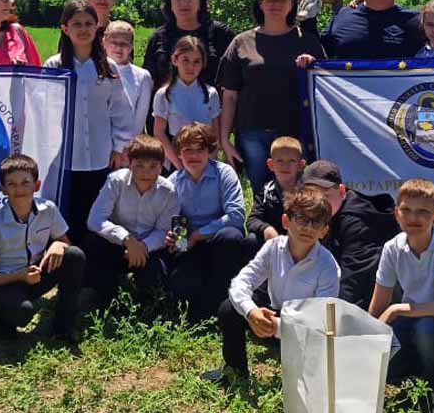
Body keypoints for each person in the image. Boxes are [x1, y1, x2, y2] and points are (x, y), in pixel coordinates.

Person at [206, 186, 340, 384]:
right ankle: (235, 372)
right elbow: (241, 282)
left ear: (324, 231)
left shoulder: (328, 267)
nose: (308, 227)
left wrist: (275, 326)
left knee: (308, 372)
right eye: (302, 219)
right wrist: (252, 312)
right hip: (273, 316)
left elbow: (319, 321)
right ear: (286, 221)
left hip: (305, 331)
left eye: (316, 222)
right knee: (229, 309)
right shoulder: (273, 248)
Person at [217, 0, 325, 196]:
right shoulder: (241, 42)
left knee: (298, 195)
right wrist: (224, 139)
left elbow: (324, 87)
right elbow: (229, 96)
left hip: (296, 134)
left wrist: (313, 66)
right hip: (252, 133)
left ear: (292, 3)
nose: (275, 4)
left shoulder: (308, 41)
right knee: (260, 195)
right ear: (260, 3)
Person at [44, 0, 134, 257]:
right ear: (65, 28)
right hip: (64, 158)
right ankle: (68, 265)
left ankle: (95, 267)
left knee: (95, 215)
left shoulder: (108, 67)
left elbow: (121, 112)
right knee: (67, 215)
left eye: (88, 24)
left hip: (99, 156)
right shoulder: (54, 66)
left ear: (97, 28)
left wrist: (118, 147)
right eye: (77, 24)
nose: (83, 29)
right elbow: (44, 109)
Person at [369, 179, 434, 404]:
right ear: (396, 213)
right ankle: (415, 370)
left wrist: (397, 308)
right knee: (383, 363)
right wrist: (369, 339)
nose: (413, 218)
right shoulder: (392, 248)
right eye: (406, 210)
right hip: (407, 322)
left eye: (422, 212)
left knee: (426, 328)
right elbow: (378, 306)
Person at [0, 154, 85, 343]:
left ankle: (64, 326)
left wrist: (58, 245)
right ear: (2, 189)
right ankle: (6, 320)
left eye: (25, 183)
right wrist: (19, 275)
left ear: (37, 185)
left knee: (74, 255)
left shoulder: (49, 209)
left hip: (36, 274)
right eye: (11, 184)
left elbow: (65, 242)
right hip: (5, 282)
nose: (19, 190)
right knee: (22, 313)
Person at [166, 123, 251, 322]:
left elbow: (236, 215)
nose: (194, 155)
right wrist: (176, 241)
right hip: (190, 245)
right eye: (188, 150)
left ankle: (223, 303)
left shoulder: (224, 173)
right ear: (179, 153)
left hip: (218, 241)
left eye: (200, 149)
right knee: (181, 284)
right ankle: (201, 310)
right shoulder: (172, 182)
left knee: (231, 236)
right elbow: (175, 223)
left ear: (209, 151)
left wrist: (198, 235)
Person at [86, 135, 180, 309]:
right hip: (118, 244)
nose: (146, 173)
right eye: (139, 166)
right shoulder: (116, 181)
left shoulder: (169, 191)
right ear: (129, 163)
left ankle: (146, 302)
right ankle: (105, 297)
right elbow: (95, 219)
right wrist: (127, 239)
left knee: (154, 288)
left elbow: (163, 231)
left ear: (161, 167)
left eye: (153, 167)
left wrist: (142, 247)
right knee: (93, 243)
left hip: (148, 248)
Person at [298, 160, 397, 311]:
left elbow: (353, 282)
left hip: (379, 300)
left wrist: (328, 317)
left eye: (326, 196)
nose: (319, 204)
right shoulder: (310, 215)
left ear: (342, 192)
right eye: (312, 197)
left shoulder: (356, 223)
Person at [141, 0, 235, 93]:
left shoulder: (221, 34)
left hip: (211, 104)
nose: (184, 3)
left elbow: (234, 82)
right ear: (170, 3)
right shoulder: (159, 37)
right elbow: (148, 84)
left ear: (200, 2)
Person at [152, 36, 221, 170]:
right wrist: (180, 166)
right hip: (177, 157)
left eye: (196, 61)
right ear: (175, 60)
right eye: (185, 60)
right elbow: (159, 133)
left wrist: (209, 162)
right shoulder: (164, 94)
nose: (191, 66)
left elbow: (215, 133)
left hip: (204, 157)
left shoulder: (210, 93)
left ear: (203, 64)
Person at [246, 136, 305, 244]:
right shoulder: (266, 192)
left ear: (301, 165)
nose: (285, 165)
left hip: (301, 240)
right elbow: (252, 219)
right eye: (279, 160)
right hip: (273, 240)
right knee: (252, 239)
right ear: (271, 164)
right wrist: (266, 229)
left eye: (291, 161)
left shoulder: (308, 192)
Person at [103, 20, 153, 141]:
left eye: (124, 43)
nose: (119, 48)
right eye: (114, 42)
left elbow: (140, 119)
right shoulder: (94, 70)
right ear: (104, 42)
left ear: (131, 46)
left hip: (128, 144)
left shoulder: (143, 76)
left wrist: (125, 146)